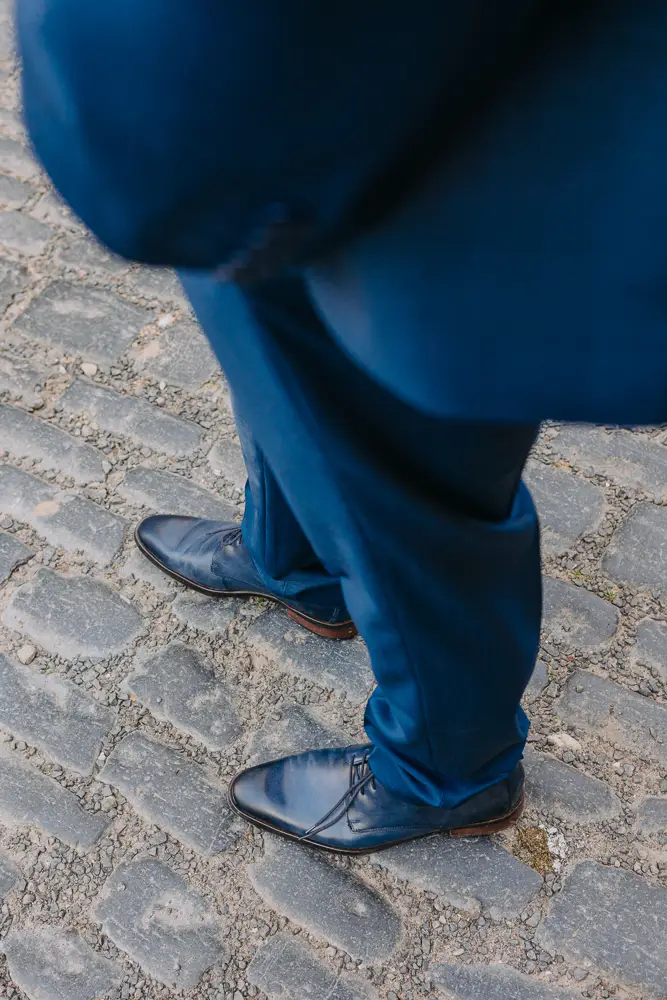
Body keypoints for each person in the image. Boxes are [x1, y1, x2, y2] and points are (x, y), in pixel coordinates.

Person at [17, 0, 667, 853]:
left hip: (427, 141)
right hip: (308, 124)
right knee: (284, 383)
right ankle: (296, 561)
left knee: (405, 477)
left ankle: (450, 769)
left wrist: (139, 151)